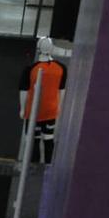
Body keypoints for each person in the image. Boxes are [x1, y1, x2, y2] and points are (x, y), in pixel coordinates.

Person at [19, 36, 68, 164]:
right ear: (51, 49)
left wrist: (23, 109)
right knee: (48, 138)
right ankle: (48, 165)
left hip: (34, 110)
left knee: (33, 139)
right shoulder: (61, 68)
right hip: (51, 110)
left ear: (38, 49)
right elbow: (62, 91)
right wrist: (59, 108)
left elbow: (24, 91)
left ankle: (33, 165)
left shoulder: (30, 69)